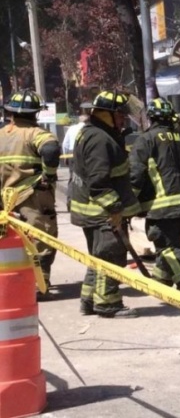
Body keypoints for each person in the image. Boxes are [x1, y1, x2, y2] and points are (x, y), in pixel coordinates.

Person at [70, 90, 142, 318]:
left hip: (91, 210)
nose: (123, 120)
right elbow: (98, 182)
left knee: (98, 256)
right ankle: (108, 303)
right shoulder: (100, 139)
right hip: (101, 211)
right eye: (120, 115)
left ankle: (89, 300)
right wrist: (115, 210)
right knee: (110, 255)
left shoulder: (96, 133)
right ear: (106, 114)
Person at [129, 99, 180, 294]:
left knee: (166, 245)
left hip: (160, 207)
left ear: (151, 118)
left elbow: (135, 175)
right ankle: (161, 282)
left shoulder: (146, 140)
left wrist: (128, 205)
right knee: (172, 244)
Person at [0, 90, 61, 295]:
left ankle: (11, 282)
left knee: (7, 239)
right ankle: (38, 284)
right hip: (32, 194)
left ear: (11, 113)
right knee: (42, 235)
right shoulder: (37, 133)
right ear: (35, 113)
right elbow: (51, 150)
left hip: (4, 198)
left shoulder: (1, 134)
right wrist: (49, 176)